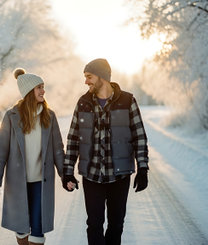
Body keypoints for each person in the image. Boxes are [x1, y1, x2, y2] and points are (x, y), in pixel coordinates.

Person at [62, 58, 149, 245]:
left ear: (102, 76)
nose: (86, 81)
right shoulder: (83, 102)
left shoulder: (127, 101)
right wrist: (67, 172)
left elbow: (139, 137)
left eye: (89, 77)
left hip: (119, 177)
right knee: (94, 224)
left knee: (116, 225)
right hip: (92, 176)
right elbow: (73, 139)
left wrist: (143, 169)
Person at [0, 68, 64, 245]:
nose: (43, 91)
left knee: (38, 228)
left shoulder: (49, 116)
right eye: (39, 87)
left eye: (43, 87)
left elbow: (58, 149)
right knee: (22, 227)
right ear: (29, 91)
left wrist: (65, 175)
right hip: (17, 183)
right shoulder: (11, 116)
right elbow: (1, 151)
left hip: (41, 182)